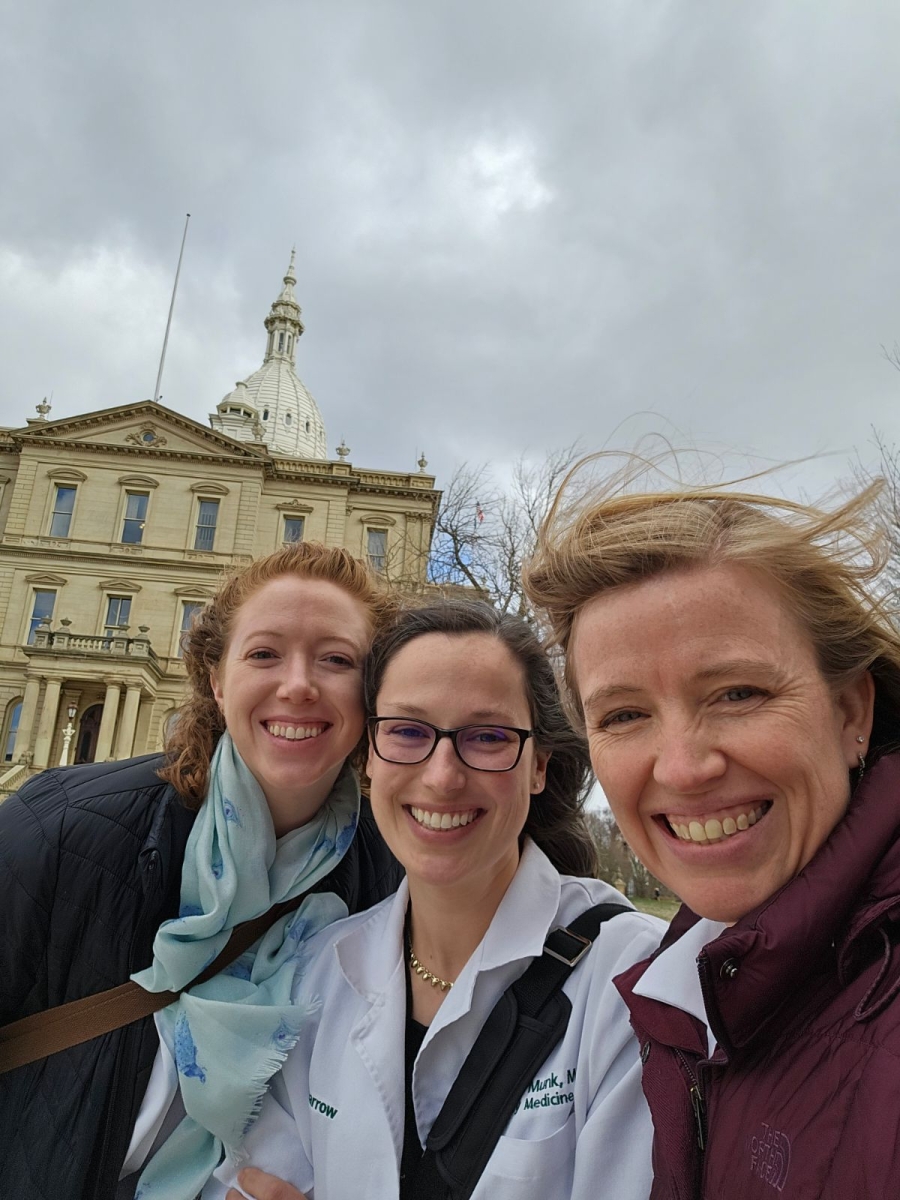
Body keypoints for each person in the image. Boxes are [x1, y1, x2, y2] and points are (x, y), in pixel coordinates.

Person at [523, 465, 900, 1198]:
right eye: (625, 715)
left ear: (851, 713)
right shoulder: (700, 990)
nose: (686, 767)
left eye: (738, 693)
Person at [208, 601, 665, 1200]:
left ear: (538, 767)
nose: (443, 776)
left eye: (488, 736)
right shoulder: (317, 973)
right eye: (407, 731)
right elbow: (250, 1184)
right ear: (368, 758)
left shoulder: (634, 983)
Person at [0, 542, 403, 1200]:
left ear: (375, 695)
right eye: (264, 653)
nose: (298, 684)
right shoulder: (64, 827)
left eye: (337, 659)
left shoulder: (394, 883)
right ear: (218, 680)